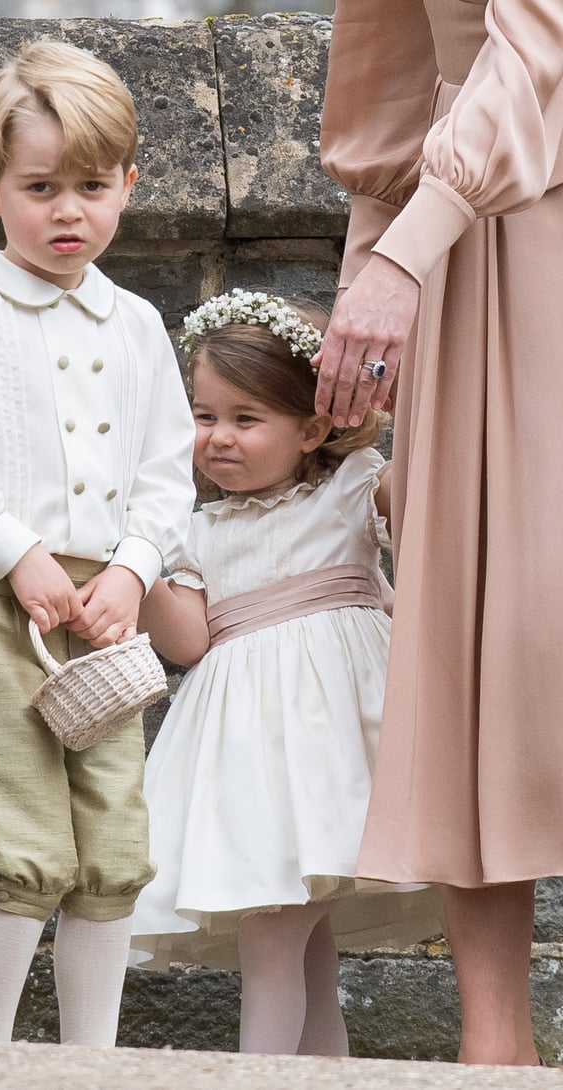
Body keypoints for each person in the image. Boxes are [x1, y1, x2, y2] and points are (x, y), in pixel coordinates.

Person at [0, 40, 196, 1045]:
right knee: (26, 849)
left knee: (110, 847)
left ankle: (88, 1064)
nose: (69, 210)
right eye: (40, 185)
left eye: (93, 185)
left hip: (106, 612)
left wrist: (134, 570)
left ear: (128, 186)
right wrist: (16, 549)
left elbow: (166, 468)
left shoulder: (140, 325)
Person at [313, 1, 563, 1067]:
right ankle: (494, 1050)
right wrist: (372, 278)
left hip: (496, 239)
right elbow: (394, 73)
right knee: (476, 645)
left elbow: (543, 46)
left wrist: (404, 255)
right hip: (479, 261)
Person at [129, 289, 442, 1056]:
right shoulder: (196, 528)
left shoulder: (351, 489)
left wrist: (399, 389)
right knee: (295, 951)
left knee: (278, 946)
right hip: (252, 764)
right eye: (205, 417)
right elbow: (189, 642)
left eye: (246, 419)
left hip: (337, 749)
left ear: (311, 427)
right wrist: (134, 566)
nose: (219, 438)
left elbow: (436, 481)